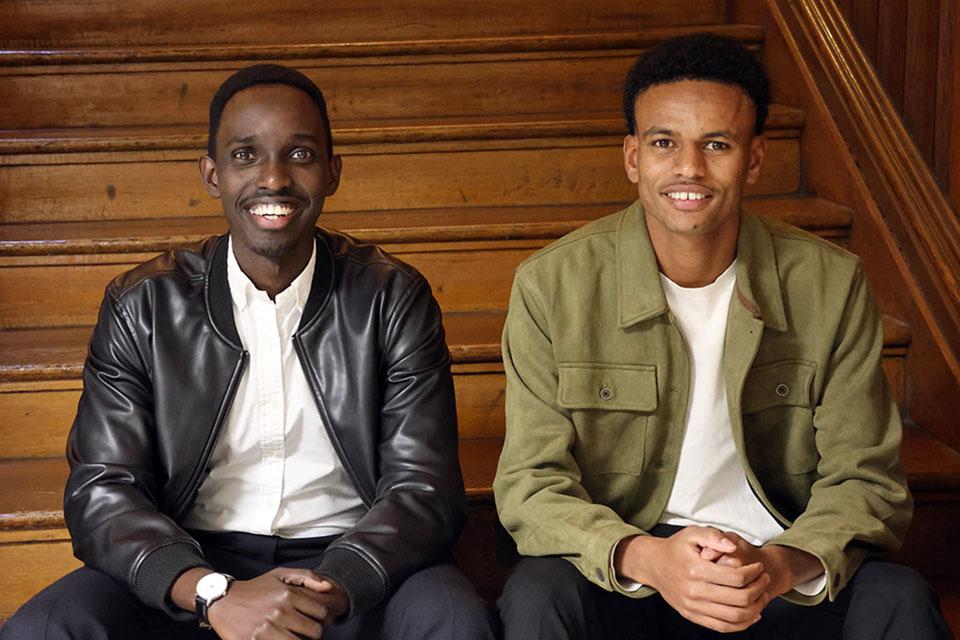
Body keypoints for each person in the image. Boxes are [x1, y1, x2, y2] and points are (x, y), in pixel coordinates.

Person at [2, 64, 496, 640]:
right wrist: (213, 593)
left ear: (332, 173)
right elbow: (103, 489)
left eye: (301, 155)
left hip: (355, 564)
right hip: (193, 563)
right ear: (212, 174)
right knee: (47, 627)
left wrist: (330, 588)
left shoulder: (391, 296)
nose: (274, 179)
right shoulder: (143, 304)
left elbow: (423, 488)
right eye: (244, 156)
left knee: (456, 619)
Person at [493, 33, 952, 639]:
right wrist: (647, 558)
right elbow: (529, 484)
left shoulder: (829, 283)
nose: (689, 168)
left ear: (754, 159)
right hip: (630, 565)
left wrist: (779, 565)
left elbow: (867, 479)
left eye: (717, 144)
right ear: (633, 157)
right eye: (664, 143)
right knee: (536, 594)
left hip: (773, 561)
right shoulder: (551, 286)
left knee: (900, 598)